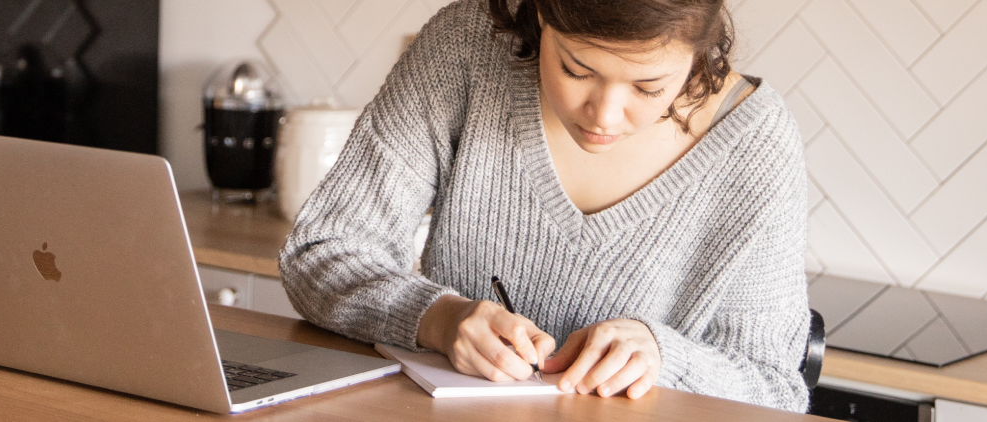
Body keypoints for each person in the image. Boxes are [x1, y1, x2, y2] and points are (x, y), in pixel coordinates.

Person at [278, 0, 811, 413]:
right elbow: (320, 252)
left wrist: (663, 356)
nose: (604, 115)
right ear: (539, 15)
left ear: (700, 53)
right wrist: (437, 319)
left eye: (649, 87)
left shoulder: (755, 144)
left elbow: (776, 388)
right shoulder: (466, 50)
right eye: (577, 70)